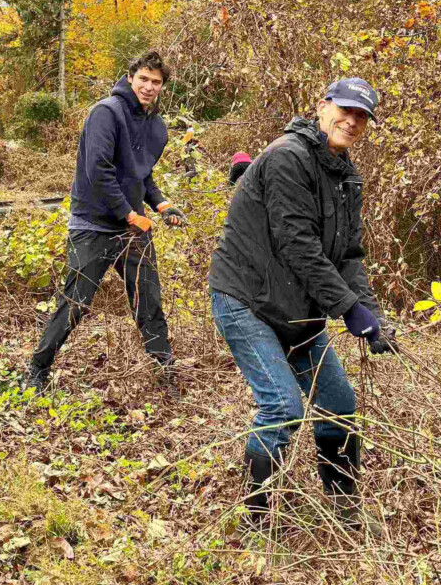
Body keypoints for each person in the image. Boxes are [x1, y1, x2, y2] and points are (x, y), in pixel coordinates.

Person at [208, 78, 397, 528]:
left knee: (339, 405)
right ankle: (255, 517)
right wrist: (348, 310)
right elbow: (299, 245)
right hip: (246, 299)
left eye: (362, 116)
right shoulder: (287, 157)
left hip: (299, 311)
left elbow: (349, 256)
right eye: (345, 110)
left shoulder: (348, 177)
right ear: (322, 107)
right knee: (283, 407)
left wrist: (370, 314)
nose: (351, 121)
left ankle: (344, 509)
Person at [26, 51, 185, 395]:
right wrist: (129, 214)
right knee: (75, 303)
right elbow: (97, 170)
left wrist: (162, 205)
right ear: (130, 77)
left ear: (162, 87)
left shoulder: (156, 127)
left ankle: (165, 372)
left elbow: (142, 176)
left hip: (133, 227)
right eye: (143, 78)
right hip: (93, 226)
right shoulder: (106, 113)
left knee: (149, 301)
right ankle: (37, 369)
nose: (148, 86)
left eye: (156, 82)